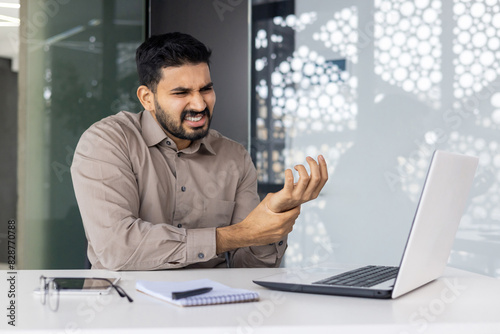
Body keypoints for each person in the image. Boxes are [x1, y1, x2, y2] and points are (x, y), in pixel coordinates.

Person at [71, 32, 328, 270]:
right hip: (121, 307)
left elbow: (246, 268)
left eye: (206, 89)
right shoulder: (107, 142)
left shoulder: (234, 158)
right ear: (147, 98)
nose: (199, 103)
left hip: (209, 308)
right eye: (181, 92)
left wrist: (272, 221)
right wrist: (238, 234)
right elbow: (116, 248)